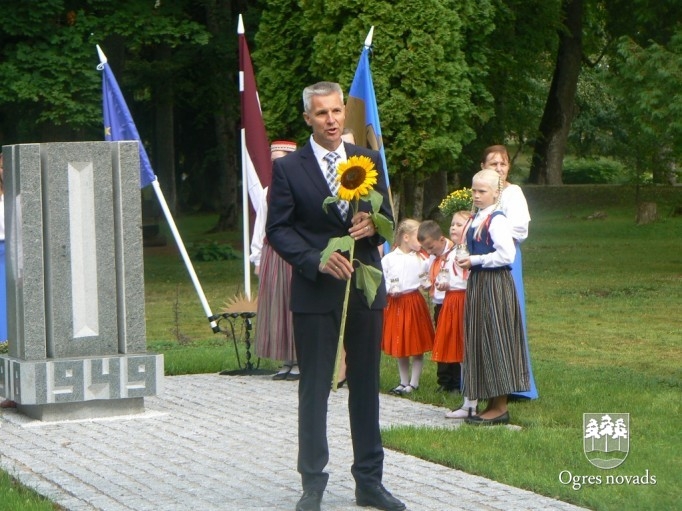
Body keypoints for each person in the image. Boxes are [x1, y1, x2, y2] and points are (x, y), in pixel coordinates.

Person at [266, 81, 404, 511]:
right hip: (315, 292)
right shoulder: (290, 169)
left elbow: (386, 217)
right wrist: (315, 260)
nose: (331, 121)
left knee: (365, 387)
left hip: (364, 289)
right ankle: (312, 483)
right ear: (308, 117)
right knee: (315, 389)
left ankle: (370, 482)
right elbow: (278, 230)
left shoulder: (368, 160)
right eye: (322, 113)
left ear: (345, 112)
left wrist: (374, 225)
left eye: (337, 111)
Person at [456, 169, 530, 425]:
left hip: (495, 284)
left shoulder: (497, 219)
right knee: (482, 337)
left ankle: (500, 407)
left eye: (482, 191)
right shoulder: (479, 217)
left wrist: (475, 259)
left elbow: (507, 255)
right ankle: (490, 402)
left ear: (496, 193)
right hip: (480, 283)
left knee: (496, 337)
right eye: (474, 191)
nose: (476, 195)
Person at [480, 145, 538, 399]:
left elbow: (520, 229)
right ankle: (484, 381)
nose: (500, 169)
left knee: (507, 315)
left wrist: (496, 236)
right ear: (483, 167)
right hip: (481, 259)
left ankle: (513, 383)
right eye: (494, 164)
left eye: (503, 164)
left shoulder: (513, 193)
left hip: (506, 258)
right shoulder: (479, 192)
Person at [251, 140, 301, 381]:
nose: (275, 165)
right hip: (273, 252)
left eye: (279, 160)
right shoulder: (267, 191)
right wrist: (257, 257)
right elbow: (261, 225)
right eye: (273, 162)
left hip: (294, 251)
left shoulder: (301, 186)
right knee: (277, 305)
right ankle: (285, 359)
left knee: (294, 304)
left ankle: (300, 359)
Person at [432, 210, 480, 420]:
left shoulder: (467, 251)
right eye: (452, 224)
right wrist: (444, 284)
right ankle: (467, 399)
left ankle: (471, 401)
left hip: (462, 300)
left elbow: (467, 278)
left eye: (459, 225)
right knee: (459, 351)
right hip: (451, 299)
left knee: (466, 349)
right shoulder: (451, 253)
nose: (453, 228)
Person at [380, 219, 434, 396]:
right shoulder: (389, 259)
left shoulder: (422, 260)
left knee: (416, 342)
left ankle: (414, 382)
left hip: (413, 302)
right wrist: (390, 290)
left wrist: (427, 285)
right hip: (396, 303)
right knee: (400, 341)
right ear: (406, 237)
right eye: (418, 238)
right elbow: (383, 280)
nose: (422, 242)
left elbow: (425, 278)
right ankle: (403, 381)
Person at [417, 220, 459, 393]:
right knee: (440, 341)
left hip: (454, 302)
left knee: (454, 340)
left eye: (431, 247)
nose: (429, 251)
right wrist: (427, 283)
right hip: (439, 303)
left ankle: (457, 382)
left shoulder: (455, 252)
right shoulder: (433, 257)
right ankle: (444, 380)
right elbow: (424, 273)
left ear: (441, 239)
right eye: (426, 248)